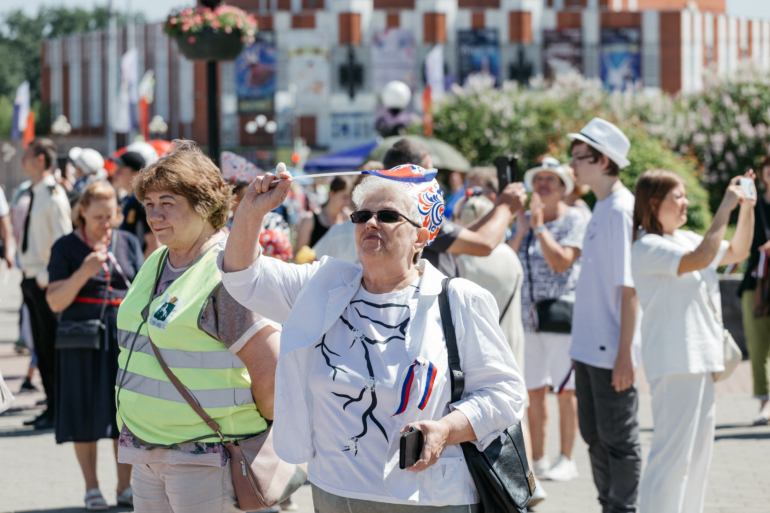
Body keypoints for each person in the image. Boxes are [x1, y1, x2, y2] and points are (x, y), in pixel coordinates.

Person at [221, 165, 527, 512]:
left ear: (421, 237)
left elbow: (505, 394)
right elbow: (242, 277)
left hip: (425, 496)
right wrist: (250, 210)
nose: (370, 222)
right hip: (334, 491)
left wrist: (447, 429)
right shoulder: (322, 286)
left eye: (387, 215)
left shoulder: (459, 299)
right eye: (362, 214)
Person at [114, 141, 282, 513]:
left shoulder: (228, 271)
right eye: (149, 204)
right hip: (146, 450)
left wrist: (251, 435)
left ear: (205, 205)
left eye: (168, 203)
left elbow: (271, 374)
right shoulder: (158, 259)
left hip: (206, 458)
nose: (155, 214)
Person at [632, 169, 755, 513]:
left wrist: (746, 207)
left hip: (700, 360)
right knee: (671, 460)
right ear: (654, 204)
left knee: (697, 459)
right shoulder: (647, 246)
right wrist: (724, 209)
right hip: (675, 362)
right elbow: (701, 259)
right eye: (679, 196)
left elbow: (739, 251)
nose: (685, 202)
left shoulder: (686, 238)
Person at [46, 181, 144, 510]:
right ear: (82, 211)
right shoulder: (65, 247)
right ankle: (91, 488)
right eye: (98, 216)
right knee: (82, 412)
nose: (105, 223)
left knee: (125, 413)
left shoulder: (127, 241)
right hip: (81, 339)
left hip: (123, 339)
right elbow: (55, 302)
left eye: (110, 215)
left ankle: (124, 487)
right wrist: (83, 272)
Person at [567, 118, 642, 513]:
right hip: (589, 348)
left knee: (618, 439)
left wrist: (625, 354)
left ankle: (622, 508)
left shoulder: (620, 210)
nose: (572, 167)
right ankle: (608, 505)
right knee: (595, 436)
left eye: (578, 158)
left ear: (604, 160)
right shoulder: (602, 207)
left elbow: (630, 289)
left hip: (611, 350)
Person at [508, 157, 586, 486]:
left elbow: (561, 263)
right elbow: (506, 260)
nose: (542, 184)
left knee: (566, 391)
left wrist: (539, 229)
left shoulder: (574, 220)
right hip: (527, 321)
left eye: (549, 180)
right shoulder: (524, 221)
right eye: (537, 179)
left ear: (562, 188)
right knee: (533, 391)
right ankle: (537, 459)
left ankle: (567, 458)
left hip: (561, 319)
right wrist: (524, 228)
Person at [382, 138, 527, 278]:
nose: (434, 180)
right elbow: (484, 244)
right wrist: (506, 206)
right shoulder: (416, 213)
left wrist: (498, 207)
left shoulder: (386, 209)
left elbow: (462, 238)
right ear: (409, 171)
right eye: (429, 172)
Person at [18, 138, 73, 430]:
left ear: (40, 159)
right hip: (31, 279)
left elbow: (62, 242)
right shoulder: (36, 192)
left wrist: (45, 279)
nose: (22, 160)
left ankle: (57, 410)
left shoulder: (53, 195)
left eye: (27, 155)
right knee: (41, 346)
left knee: (51, 348)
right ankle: (51, 406)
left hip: (44, 282)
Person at [738, 157, 770, 425]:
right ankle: (765, 402)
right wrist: (746, 201)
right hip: (755, 283)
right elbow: (743, 240)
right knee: (758, 348)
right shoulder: (754, 204)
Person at [113, 145, 161, 259]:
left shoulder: (143, 202)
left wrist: (141, 273)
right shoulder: (127, 199)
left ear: (136, 173)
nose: (115, 174)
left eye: (120, 171)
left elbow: (154, 244)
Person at [294, 176, 351, 253]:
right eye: (344, 197)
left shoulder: (347, 220)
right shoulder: (310, 219)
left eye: (349, 198)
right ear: (332, 194)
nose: (347, 203)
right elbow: (297, 256)